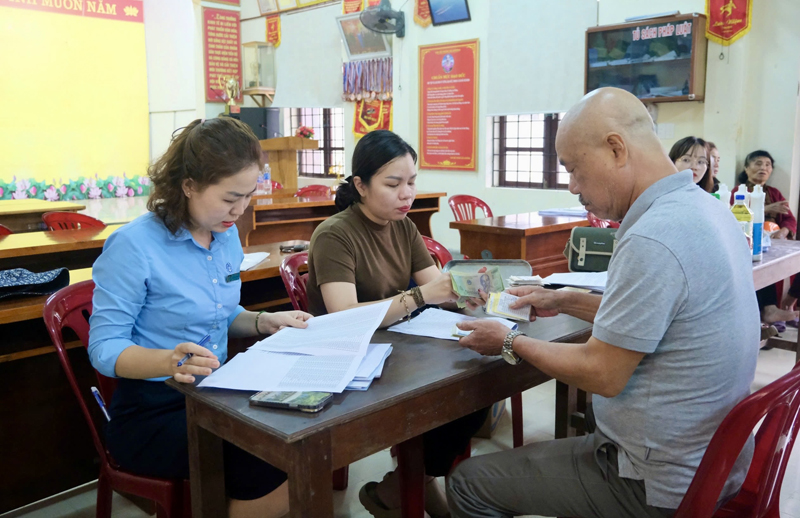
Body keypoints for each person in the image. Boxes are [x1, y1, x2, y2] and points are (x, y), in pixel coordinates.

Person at [446, 88, 759, 518]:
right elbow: (664, 318)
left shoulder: (654, 235)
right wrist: (564, 299)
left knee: (468, 483)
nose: (573, 186)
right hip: (714, 457)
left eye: (575, 169)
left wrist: (509, 340)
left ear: (616, 149)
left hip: (656, 480)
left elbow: (603, 373)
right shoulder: (707, 210)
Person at [88, 118, 312, 518]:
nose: (240, 210)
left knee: (297, 440)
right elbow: (104, 348)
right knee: (263, 456)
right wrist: (170, 361)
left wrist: (263, 321)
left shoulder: (223, 235)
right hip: (153, 410)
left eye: (248, 196)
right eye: (229, 198)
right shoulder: (134, 245)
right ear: (188, 185)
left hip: (216, 394)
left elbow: (221, 316)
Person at [306, 129, 487, 518]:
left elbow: (437, 285)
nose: (407, 194)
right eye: (393, 184)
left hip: (395, 347)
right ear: (361, 185)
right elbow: (344, 316)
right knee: (446, 395)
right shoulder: (335, 234)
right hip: (346, 356)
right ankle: (407, 488)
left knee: (475, 387)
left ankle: (405, 486)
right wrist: (422, 297)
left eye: (412, 182)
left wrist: (469, 292)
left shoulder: (404, 227)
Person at [732, 150, 798, 324]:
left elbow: (790, 218)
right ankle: (767, 313)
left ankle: (786, 305)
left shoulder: (774, 193)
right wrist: (766, 209)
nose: (763, 167)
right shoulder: (738, 192)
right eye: (758, 163)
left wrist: (783, 231)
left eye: (768, 165)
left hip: (774, 241)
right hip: (749, 242)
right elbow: (733, 217)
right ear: (746, 168)